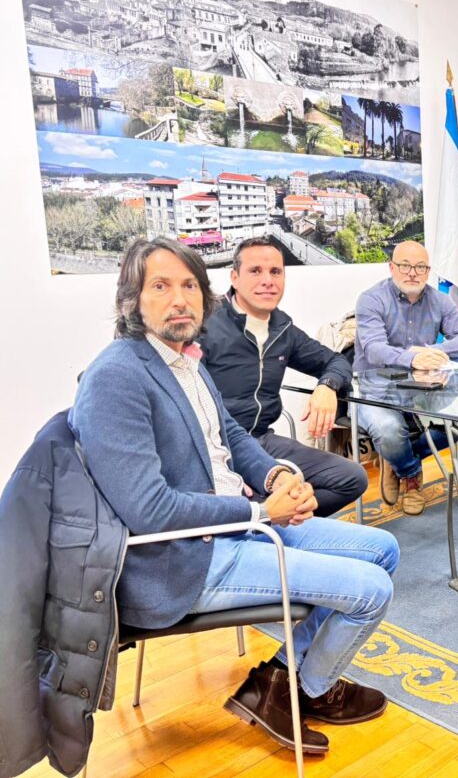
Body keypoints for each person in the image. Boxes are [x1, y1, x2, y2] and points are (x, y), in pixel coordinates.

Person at [69, 238, 399, 755]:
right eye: (161, 286)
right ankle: (306, 690)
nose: (180, 299)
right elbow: (149, 511)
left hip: (232, 528)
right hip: (180, 559)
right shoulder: (116, 377)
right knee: (371, 590)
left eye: (189, 285)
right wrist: (261, 510)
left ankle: (277, 683)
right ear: (132, 299)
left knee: (384, 549)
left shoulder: (184, 360)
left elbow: (233, 436)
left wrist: (275, 477)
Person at [200, 237, 367, 516]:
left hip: (262, 440)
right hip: (216, 448)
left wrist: (327, 387)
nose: (267, 280)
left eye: (275, 272)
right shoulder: (205, 323)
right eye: (255, 271)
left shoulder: (282, 328)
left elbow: (336, 360)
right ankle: (262, 516)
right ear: (234, 277)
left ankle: (275, 518)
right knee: (250, 497)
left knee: (352, 478)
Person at [353, 240, 458, 515]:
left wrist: (434, 351)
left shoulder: (439, 300)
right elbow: (374, 350)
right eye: (405, 266)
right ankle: (411, 475)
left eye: (420, 267)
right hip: (375, 389)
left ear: (428, 271)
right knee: (388, 431)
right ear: (392, 267)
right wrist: (411, 357)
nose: (413, 273)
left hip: (424, 390)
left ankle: (395, 457)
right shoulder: (371, 299)